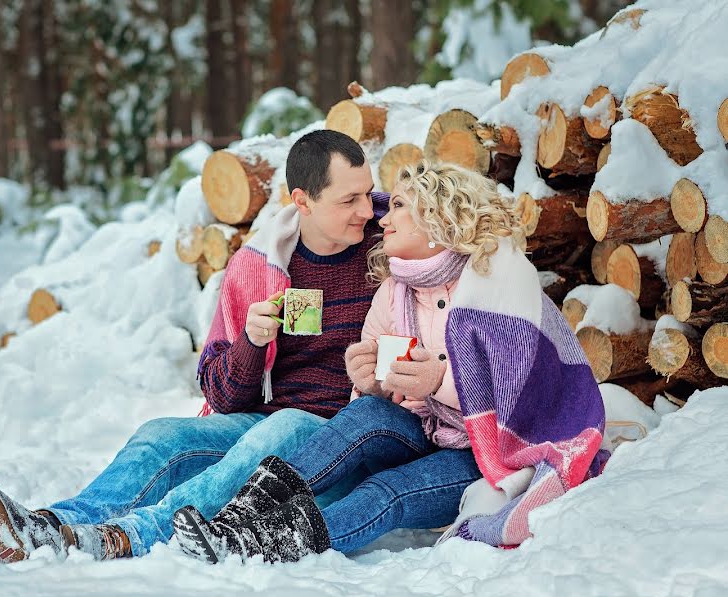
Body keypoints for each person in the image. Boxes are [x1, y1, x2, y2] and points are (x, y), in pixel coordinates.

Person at [0, 130, 390, 562]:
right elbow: (221, 395)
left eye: (368, 194)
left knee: (285, 427)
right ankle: (48, 529)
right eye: (348, 200)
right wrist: (251, 344)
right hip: (264, 424)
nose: (365, 210)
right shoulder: (259, 267)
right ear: (302, 200)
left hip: (342, 443)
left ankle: (127, 536)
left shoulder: (390, 248)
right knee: (161, 435)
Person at [173, 160, 611, 564]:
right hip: (424, 427)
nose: (382, 218)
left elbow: (525, 398)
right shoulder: (396, 289)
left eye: (398, 205)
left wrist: (439, 379)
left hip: (488, 452)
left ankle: (269, 545)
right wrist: (370, 380)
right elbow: (384, 386)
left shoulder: (499, 280)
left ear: (438, 214)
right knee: (364, 413)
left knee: (387, 491)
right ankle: (238, 522)